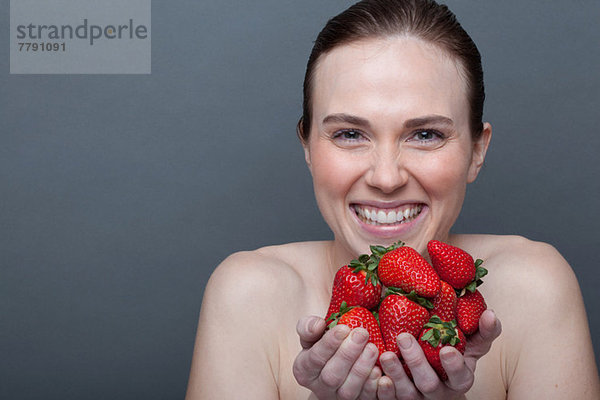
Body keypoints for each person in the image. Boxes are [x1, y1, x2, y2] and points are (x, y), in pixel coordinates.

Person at [185, 0, 600, 398]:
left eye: (425, 135)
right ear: (308, 147)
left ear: (477, 152)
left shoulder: (534, 289)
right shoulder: (247, 295)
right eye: (349, 134)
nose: (386, 178)